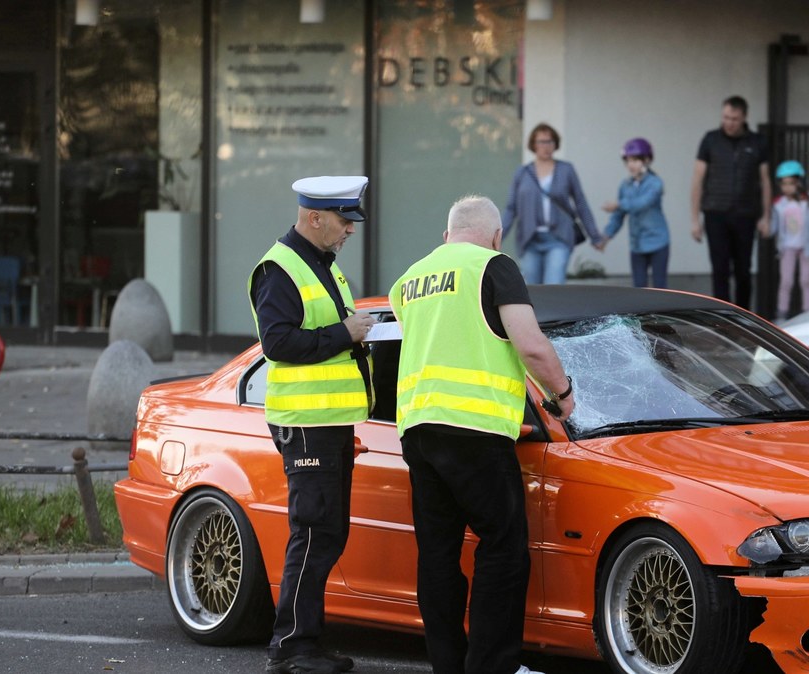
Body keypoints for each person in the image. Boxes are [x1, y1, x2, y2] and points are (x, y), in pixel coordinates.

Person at [390, 195, 573, 674]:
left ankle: (448, 665)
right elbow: (529, 345)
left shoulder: (408, 281)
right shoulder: (495, 266)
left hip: (417, 430)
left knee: (438, 555)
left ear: (446, 236)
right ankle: (492, 667)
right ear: (496, 236)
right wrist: (563, 393)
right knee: (504, 548)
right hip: (475, 430)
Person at [248, 175, 375, 674]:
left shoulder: (321, 265)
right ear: (315, 217)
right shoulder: (280, 269)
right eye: (344, 221)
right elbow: (278, 344)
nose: (350, 231)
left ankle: (307, 640)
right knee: (314, 531)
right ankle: (291, 649)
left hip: (328, 423)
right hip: (306, 425)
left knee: (327, 532)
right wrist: (344, 333)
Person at [690, 95, 771, 309]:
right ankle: (722, 319)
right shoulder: (710, 140)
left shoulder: (757, 142)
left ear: (744, 117)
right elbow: (697, 179)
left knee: (743, 271)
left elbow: (765, 181)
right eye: (725, 117)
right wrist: (694, 220)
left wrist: (766, 217)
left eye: (734, 118)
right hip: (715, 213)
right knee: (720, 270)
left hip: (745, 214)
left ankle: (744, 316)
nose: (729, 123)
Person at [503, 122, 604, 284]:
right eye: (541, 142)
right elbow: (510, 208)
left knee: (554, 285)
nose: (546, 146)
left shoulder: (566, 170)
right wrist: (496, 237)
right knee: (531, 290)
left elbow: (580, 203)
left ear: (555, 144)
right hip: (530, 239)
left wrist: (595, 236)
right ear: (533, 145)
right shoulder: (522, 173)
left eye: (550, 141)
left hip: (559, 237)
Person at [600, 137, 670, 288]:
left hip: (658, 242)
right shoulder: (625, 185)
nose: (631, 164)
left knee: (660, 288)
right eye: (628, 160)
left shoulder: (655, 183)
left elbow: (642, 203)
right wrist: (606, 236)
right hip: (637, 244)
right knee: (639, 288)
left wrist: (619, 204)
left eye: (636, 160)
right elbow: (619, 215)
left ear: (646, 160)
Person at [768, 160, 809, 320]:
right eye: (784, 184)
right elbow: (773, 226)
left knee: (806, 280)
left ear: (800, 183)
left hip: (807, 247)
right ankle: (781, 313)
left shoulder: (808, 199)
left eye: (791, 183)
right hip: (787, 247)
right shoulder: (778, 204)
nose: (787, 187)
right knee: (786, 281)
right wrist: (766, 229)